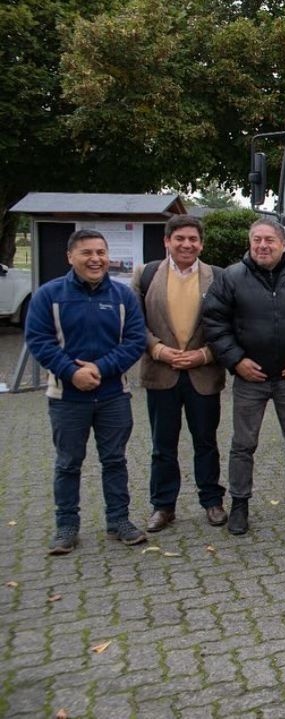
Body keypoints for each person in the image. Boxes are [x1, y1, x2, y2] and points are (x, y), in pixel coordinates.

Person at [26, 229, 149, 554]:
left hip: (113, 396)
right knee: (68, 463)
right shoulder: (48, 295)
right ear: (71, 257)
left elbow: (135, 340)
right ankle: (66, 527)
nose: (95, 259)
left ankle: (118, 521)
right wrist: (72, 372)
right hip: (67, 398)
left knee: (115, 461)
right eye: (87, 253)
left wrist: (100, 369)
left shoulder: (123, 297)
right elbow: (39, 340)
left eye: (100, 252)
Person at [202, 218, 285, 535]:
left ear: (283, 244)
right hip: (249, 378)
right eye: (256, 239)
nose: (262, 245)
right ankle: (239, 504)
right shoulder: (231, 278)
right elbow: (215, 323)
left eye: (269, 240)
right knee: (243, 444)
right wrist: (236, 360)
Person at [132, 215, 227, 532]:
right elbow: (134, 323)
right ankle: (163, 506)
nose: (187, 244)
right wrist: (157, 350)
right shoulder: (145, 275)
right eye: (180, 238)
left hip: (203, 375)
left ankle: (212, 501)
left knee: (206, 442)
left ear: (201, 243)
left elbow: (230, 326)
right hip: (162, 373)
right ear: (167, 241)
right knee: (163, 445)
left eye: (193, 239)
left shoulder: (218, 277)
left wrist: (204, 354)